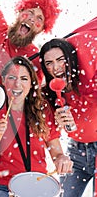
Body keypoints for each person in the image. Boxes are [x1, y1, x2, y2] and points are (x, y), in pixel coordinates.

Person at [0, 56, 73, 197]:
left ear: (31, 84)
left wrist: (62, 159)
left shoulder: (43, 111)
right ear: (4, 81)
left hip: (38, 185)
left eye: (24, 79)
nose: (17, 84)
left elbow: (57, 153)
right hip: (3, 188)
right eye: (12, 78)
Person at [39, 36, 97, 197]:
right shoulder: (48, 95)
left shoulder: (90, 81)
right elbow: (50, 134)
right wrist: (59, 156)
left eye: (60, 60)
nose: (55, 67)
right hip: (76, 150)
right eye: (48, 63)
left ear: (70, 59)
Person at [0, 0, 61, 84]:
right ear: (20, 12)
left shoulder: (36, 59)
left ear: (41, 29)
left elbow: (32, 94)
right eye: (30, 12)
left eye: (39, 18)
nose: (32, 19)